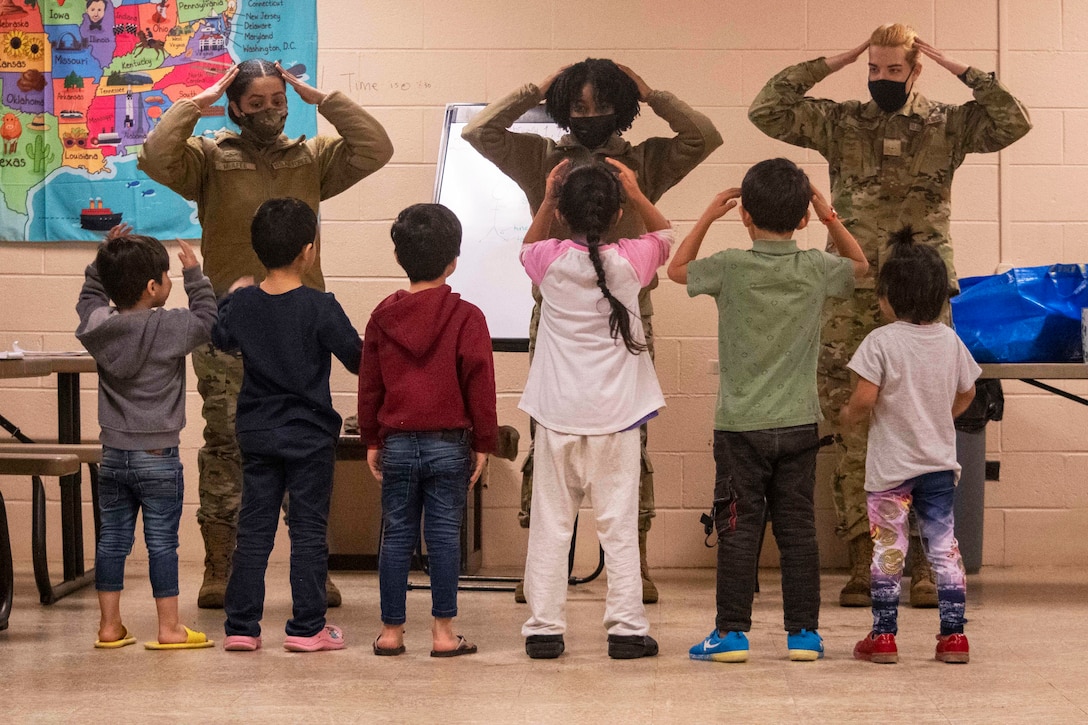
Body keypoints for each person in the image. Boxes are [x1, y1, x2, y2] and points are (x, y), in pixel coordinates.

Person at [748, 23, 1031, 608]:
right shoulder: (843, 122)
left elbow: (1014, 120)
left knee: (929, 423)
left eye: (892, 70)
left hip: (924, 289)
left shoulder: (946, 124)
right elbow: (768, 109)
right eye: (872, 70)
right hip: (854, 289)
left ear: (915, 69)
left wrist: (959, 66)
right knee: (853, 424)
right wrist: (839, 58)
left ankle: (927, 566)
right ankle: (866, 561)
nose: (879, 79)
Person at [463, 58, 722, 603]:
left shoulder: (645, 160)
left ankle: (638, 564)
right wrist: (537, 86)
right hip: (556, 318)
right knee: (549, 442)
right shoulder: (540, 157)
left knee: (631, 443)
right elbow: (479, 131)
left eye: (602, 105)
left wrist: (651, 91)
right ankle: (545, 568)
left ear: (621, 109)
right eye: (577, 106)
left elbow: (705, 135)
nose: (590, 116)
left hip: (627, 319)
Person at [138, 58, 393, 609]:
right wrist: (196, 104)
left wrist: (321, 97)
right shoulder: (207, 156)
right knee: (227, 445)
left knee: (305, 445)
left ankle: (311, 572)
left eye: (278, 101)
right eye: (257, 102)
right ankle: (220, 569)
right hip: (230, 327)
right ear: (234, 105)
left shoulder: (315, 157)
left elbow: (377, 148)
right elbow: (157, 156)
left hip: (300, 325)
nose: (271, 111)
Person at [668, 158, 868, 663]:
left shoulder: (731, 265)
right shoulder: (817, 268)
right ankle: (804, 635)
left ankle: (732, 634)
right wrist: (830, 217)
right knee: (798, 530)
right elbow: (861, 267)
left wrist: (706, 218)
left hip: (740, 428)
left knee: (738, 528)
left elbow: (676, 269)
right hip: (800, 423)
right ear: (803, 218)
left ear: (745, 217)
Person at [518, 158, 670, 660]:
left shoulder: (549, 261)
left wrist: (546, 196)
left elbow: (527, 246)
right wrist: (635, 187)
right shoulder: (634, 260)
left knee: (550, 526)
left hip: (557, 415)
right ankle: (626, 631)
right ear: (617, 212)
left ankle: (544, 630)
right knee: (619, 526)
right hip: (617, 419)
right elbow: (665, 232)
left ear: (561, 214)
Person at [213, 198, 362, 653]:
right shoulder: (321, 307)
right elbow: (358, 361)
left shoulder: (242, 304)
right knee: (308, 530)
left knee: (254, 528)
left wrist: (231, 296)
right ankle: (306, 628)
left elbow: (219, 338)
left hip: (257, 432)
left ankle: (241, 627)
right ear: (307, 251)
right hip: (309, 434)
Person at [359, 204, 498, 658]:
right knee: (444, 537)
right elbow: (480, 383)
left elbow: (371, 384)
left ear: (400, 258)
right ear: (453, 260)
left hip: (397, 441)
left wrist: (372, 439)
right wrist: (484, 442)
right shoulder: (468, 317)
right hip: (448, 444)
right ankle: (442, 633)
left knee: (396, 535)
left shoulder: (382, 317)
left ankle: (390, 632)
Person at [841, 227, 980, 665]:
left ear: (888, 298)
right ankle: (954, 637)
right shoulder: (951, 341)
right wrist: (941, 417)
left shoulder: (880, 342)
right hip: (938, 466)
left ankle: (883, 638)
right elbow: (968, 392)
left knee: (888, 549)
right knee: (943, 547)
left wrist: (848, 416)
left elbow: (864, 399)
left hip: (891, 471)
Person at [76, 230, 217, 650]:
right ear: (153, 287)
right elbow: (209, 319)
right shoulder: (171, 325)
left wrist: (100, 261)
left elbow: (88, 300)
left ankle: (109, 626)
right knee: (162, 544)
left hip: (114, 454)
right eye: (167, 276)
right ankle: (169, 628)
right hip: (158, 454)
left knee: (112, 540)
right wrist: (196, 276)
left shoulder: (100, 327)